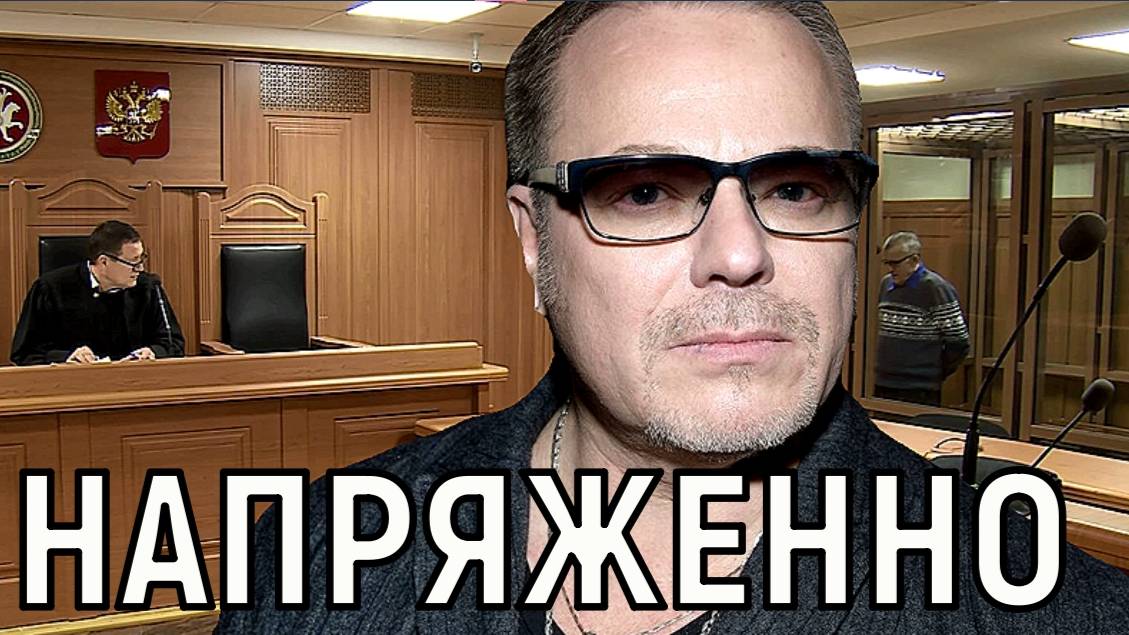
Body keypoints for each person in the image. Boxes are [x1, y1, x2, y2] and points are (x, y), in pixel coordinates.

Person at [219, 2, 1127, 632]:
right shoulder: (316, 556)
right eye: (645, 191)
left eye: (795, 187)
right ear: (533, 238)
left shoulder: (1063, 614)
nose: (738, 253)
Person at [10, 220, 185, 365]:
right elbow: (25, 352)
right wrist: (66, 357)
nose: (140, 269)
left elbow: (174, 344)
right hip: (73, 386)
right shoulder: (50, 288)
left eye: (141, 259)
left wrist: (153, 352)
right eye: (133, 262)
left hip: (136, 383)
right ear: (103, 262)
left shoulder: (148, 286)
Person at [874, 231, 970, 406]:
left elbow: (958, 341)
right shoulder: (885, 284)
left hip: (920, 387)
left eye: (895, 264)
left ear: (914, 260)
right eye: (887, 263)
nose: (890, 269)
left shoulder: (935, 288)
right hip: (883, 382)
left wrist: (934, 372)